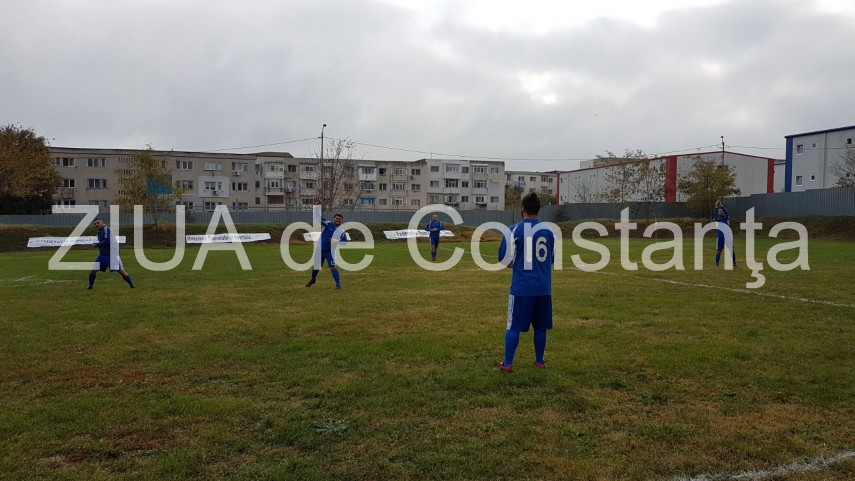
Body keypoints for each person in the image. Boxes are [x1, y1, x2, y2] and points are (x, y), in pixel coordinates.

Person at [497, 192, 554, 372]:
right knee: (541, 327)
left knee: (513, 326)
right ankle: (539, 361)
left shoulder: (514, 229)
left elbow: (503, 258)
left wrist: (518, 267)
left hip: (522, 287)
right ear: (539, 210)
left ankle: (507, 364)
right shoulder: (548, 231)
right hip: (543, 288)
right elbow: (550, 259)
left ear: (522, 210)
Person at [88, 217, 135, 290]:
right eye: (95, 224)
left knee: (120, 271)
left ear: (102, 222)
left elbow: (107, 241)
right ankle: (90, 286)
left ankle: (132, 285)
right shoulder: (98, 232)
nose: (97, 224)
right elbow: (103, 242)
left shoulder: (106, 229)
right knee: (93, 270)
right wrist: (98, 245)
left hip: (112, 255)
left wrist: (97, 244)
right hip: (102, 255)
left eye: (98, 222)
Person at [306, 211, 346, 289]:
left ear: (342, 221)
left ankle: (338, 285)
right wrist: (317, 206)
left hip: (330, 252)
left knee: (332, 267)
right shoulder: (328, 223)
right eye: (337, 218)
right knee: (317, 267)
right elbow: (317, 217)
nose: (338, 220)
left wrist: (336, 241)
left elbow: (344, 242)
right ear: (334, 219)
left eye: (340, 219)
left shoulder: (341, 231)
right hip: (320, 250)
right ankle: (313, 279)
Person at [713, 199, 737, 268]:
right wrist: (716, 206)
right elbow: (715, 214)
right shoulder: (717, 220)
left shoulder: (726, 218)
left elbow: (726, 212)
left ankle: (734, 264)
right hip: (720, 236)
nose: (720, 212)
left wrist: (721, 206)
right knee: (719, 250)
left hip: (728, 235)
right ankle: (717, 265)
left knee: (731, 249)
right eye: (719, 212)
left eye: (721, 211)